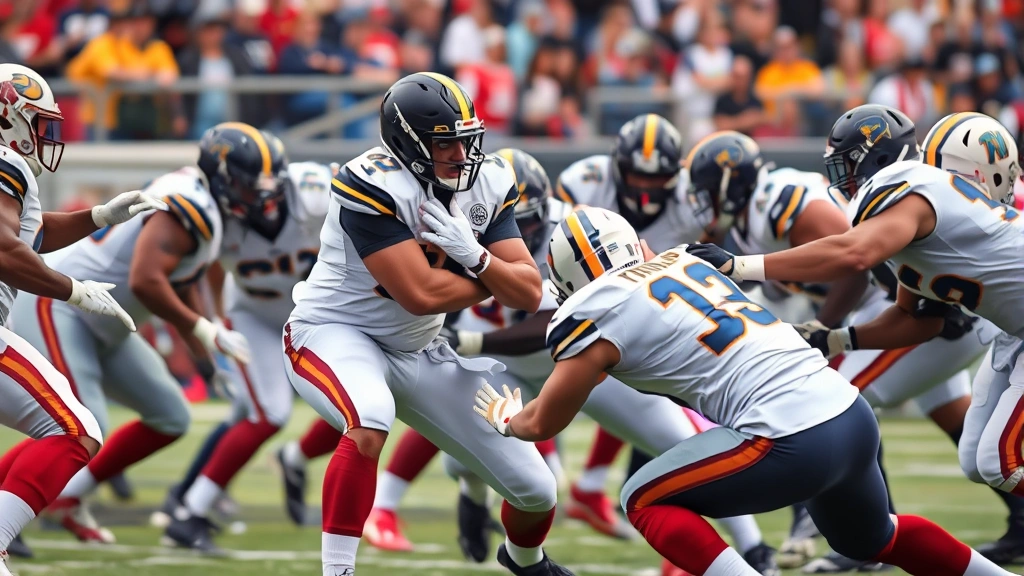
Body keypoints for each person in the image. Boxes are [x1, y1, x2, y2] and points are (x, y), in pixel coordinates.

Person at [475, 205, 1019, 576]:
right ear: (634, 246)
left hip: (789, 438)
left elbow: (544, 423)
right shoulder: (684, 263)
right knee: (872, 538)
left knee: (642, 497)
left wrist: (507, 419)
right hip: (849, 414)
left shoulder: (591, 308)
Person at [686, 107, 1024, 565]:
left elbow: (854, 253)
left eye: (846, 165)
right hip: (1011, 333)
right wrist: (836, 339)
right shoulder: (916, 225)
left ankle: (864, 530)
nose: (841, 179)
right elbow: (916, 319)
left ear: (876, 159)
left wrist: (740, 265)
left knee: (997, 462)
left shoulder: (909, 184)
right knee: (975, 459)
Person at [280, 72, 570, 576]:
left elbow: (526, 292)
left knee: (537, 491)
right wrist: (489, 272)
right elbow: (419, 294)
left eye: (466, 140)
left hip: (419, 348)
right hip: (336, 333)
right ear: (407, 144)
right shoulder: (370, 182)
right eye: (446, 145)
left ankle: (526, 563)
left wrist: (477, 258)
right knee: (370, 417)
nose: (462, 155)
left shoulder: (489, 179)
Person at [6, 122, 259, 548]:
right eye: (249, 185)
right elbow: (147, 280)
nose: (255, 196)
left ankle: (69, 499)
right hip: (63, 305)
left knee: (170, 415)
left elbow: (178, 282)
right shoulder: (190, 201)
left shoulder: (201, 202)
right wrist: (201, 328)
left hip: (108, 320)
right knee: (78, 425)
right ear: (225, 177)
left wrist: (204, 357)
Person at [555, 113, 778, 575]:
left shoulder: (692, 200)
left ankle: (738, 545)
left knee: (667, 421)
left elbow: (716, 252)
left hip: (670, 319)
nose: (644, 188)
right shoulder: (585, 184)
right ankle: (745, 546)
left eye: (655, 178)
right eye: (636, 175)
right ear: (617, 168)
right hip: (605, 314)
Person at [0, 63, 166, 575]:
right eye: (39, 122)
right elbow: (4, 247)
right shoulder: (5, 160)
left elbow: (28, 233)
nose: (46, 135)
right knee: (75, 429)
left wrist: (96, 218)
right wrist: (72, 291)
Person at [161, 147, 331, 553]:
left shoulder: (314, 191)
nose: (262, 200)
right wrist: (218, 320)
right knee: (269, 413)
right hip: (254, 318)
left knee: (246, 414)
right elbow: (209, 270)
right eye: (250, 188)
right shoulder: (217, 215)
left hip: (310, 316)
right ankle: (190, 512)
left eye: (269, 188)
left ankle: (184, 496)